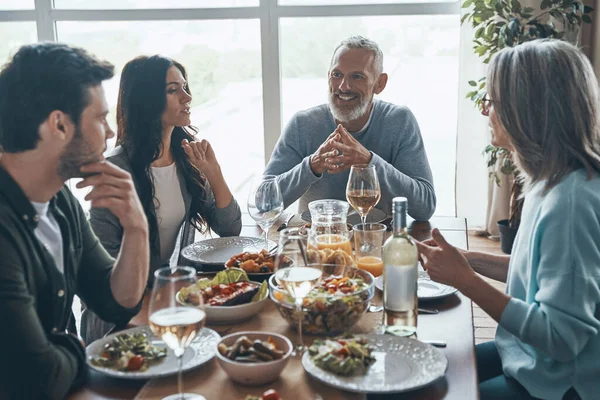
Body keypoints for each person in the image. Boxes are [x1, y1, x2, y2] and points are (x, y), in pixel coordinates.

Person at [416, 39, 600, 400]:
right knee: (422, 367)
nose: (486, 112)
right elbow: (539, 272)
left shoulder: (572, 202)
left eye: (493, 102)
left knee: (429, 391)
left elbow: (561, 339)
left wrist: (465, 280)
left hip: (557, 383)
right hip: (526, 356)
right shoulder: (551, 181)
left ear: (528, 109)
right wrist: (466, 259)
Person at [0, 43, 150, 399]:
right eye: (100, 118)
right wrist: (77, 347)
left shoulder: (59, 198)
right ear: (59, 125)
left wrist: (136, 226)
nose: (110, 132)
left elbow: (116, 301)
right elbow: (39, 378)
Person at [81, 55, 242, 343]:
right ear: (147, 100)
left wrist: (214, 174)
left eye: (185, 86)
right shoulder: (115, 171)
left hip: (167, 302)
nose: (187, 96)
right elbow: (104, 273)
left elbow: (229, 228)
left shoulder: (185, 158)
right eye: (173, 90)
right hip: (120, 321)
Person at [264, 36, 436, 220]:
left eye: (357, 76)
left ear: (380, 83)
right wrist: (311, 166)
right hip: (316, 243)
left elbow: (425, 207)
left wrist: (369, 162)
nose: (343, 86)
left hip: (377, 241)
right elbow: (264, 204)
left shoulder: (399, 121)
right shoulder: (303, 124)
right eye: (337, 75)